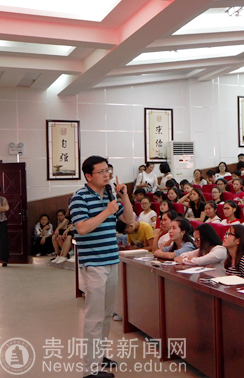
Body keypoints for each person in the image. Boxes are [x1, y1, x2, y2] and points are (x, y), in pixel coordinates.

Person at [69, 155, 135, 377]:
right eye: (102, 171)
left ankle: (99, 356)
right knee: (94, 317)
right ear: (89, 176)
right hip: (94, 264)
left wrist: (124, 196)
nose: (107, 175)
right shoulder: (79, 197)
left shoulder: (109, 195)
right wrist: (107, 211)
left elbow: (129, 219)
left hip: (111, 260)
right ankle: (90, 370)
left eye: (108, 170)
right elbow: (82, 229)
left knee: (106, 315)